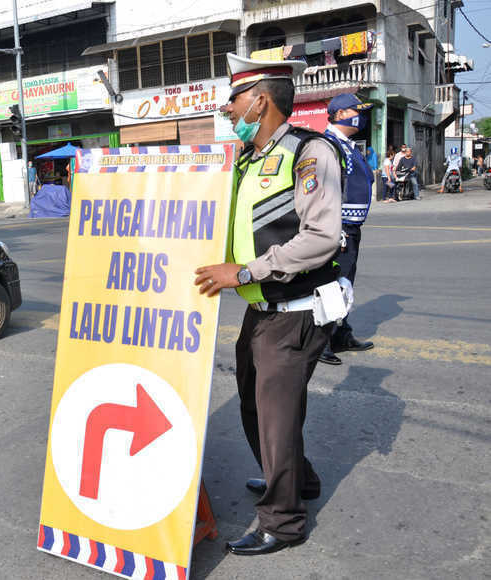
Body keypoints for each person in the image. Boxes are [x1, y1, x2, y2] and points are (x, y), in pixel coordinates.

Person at [195, 53, 342, 556]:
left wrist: (243, 272)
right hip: (260, 313)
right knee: (255, 409)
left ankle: (282, 521)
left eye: (234, 99)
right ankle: (295, 480)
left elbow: (322, 237)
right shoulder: (247, 159)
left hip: (294, 310)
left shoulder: (309, 153)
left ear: (260, 99)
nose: (227, 108)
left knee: (276, 419)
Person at [317, 93, 376, 366]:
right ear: (340, 114)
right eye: (357, 111)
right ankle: (321, 342)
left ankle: (342, 334)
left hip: (352, 227)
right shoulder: (327, 145)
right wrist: (333, 227)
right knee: (331, 284)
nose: (361, 116)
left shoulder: (347, 145)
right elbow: (321, 191)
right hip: (337, 227)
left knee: (346, 282)